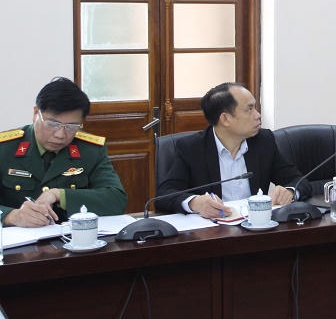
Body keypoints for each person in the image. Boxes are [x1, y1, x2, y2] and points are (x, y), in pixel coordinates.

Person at [156, 82, 311, 218]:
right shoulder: (192, 148)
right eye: (249, 109)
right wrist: (195, 202)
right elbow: (164, 195)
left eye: (255, 107)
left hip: (255, 229)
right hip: (213, 234)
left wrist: (290, 191)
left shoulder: (263, 141)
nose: (258, 115)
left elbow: (299, 181)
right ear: (225, 119)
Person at [0, 77, 127, 227]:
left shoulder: (90, 150)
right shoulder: (5, 148)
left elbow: (116, 199)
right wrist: (10, 216)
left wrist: (59, 195)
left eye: (72, 127)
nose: (60, 135)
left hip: (73, 237)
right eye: (52, 124)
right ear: (36, 113)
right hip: (17, 239)